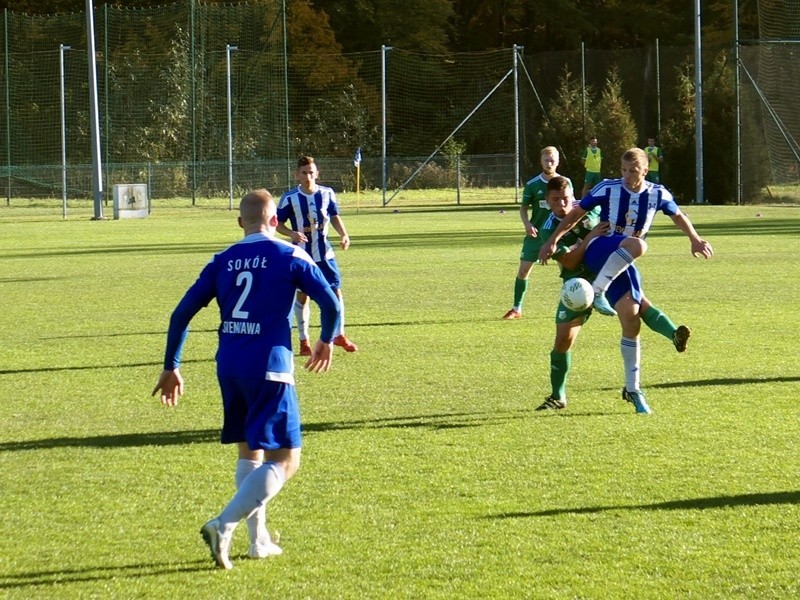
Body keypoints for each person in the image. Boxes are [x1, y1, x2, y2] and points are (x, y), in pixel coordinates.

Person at [151, 189, 341, 570]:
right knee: (286, 460)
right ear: (275, 221)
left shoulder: (223, 260)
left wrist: (172, 365)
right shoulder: (290, 254)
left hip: (230, 367)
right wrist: (325, 339)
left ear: (240, 223)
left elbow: (180, 315)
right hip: (270, 368)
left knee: (250, 454)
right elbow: (331, 302)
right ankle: (223, 524)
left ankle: (260, 541)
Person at [533, 176, 691, 414]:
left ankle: (673, 335)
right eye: (556, 200)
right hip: (577, 284)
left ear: (573, 195)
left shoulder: (588, 211)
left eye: (566, 199)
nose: (562, 205)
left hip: (610, 269)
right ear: (548, 201)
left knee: (636, 308)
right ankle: (557, 396)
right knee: (563, 340)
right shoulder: (548, 229)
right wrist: (590, 237)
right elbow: (570, 260)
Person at [539, 147, 713, 319]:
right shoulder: (607, 187)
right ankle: (598, 290)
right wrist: (553, 240)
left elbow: (678, 216)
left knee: (634, 311)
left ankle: (674, 334)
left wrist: (695, 239)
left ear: (645, 171)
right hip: (602, 248)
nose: (627, 175)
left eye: (633, 171)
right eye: (623, 170)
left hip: (624, 256)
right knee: (639, 245)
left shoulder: (658, 193)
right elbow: (576, 214)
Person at [277, 156, 357, 354]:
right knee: (302, 296)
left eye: (311, 172)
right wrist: (291, 233)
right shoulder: (290, 198)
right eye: (304, 173)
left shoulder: (327, 193)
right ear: (297, 174)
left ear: (317, 173)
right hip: (302, 256)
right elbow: (277, 223)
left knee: (336, 293)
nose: (308, 176)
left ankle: (339, 335)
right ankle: (304, 341)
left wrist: (344, 234)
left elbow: (334, 215)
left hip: (325, 255)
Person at [502, 146, 572, 320]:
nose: (549, 163)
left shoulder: (566, 182)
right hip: (536, 235)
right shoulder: (533, 185)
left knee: (567, 271)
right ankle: (516, 308)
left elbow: (572, 207)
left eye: (552, 160)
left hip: (558, 234)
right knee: (523, 271)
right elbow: (523, 208)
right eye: (546, 160)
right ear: (541, 161)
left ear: (558, 161)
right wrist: (527, 224)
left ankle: (570, 306)